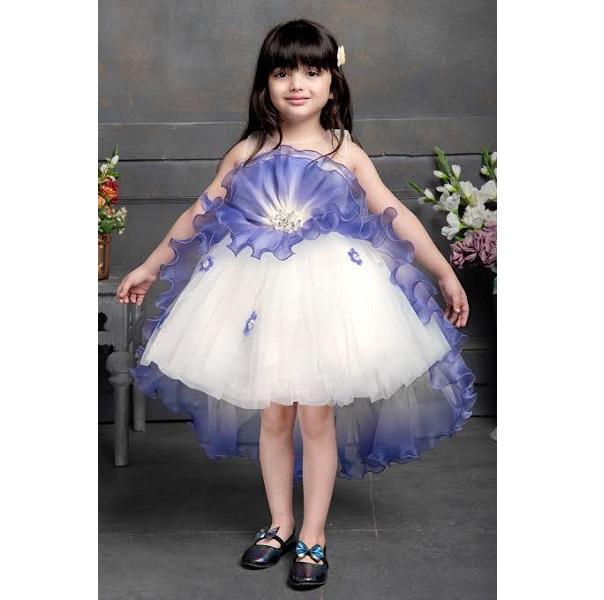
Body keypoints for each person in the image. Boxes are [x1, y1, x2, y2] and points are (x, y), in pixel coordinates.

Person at [116, 18, 477, 590]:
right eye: (283, 72)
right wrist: (149, 265)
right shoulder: (248, 151)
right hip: (257, 295)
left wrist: (444, 271)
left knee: (316, 413)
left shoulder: (344, 151)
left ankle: (314, 533)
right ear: (266, 84)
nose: (297, 84)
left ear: (333, 82)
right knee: (274, 412)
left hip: (330, 295)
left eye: (312, 71)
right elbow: (198, 214)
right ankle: (280, 522)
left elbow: (395, 215)